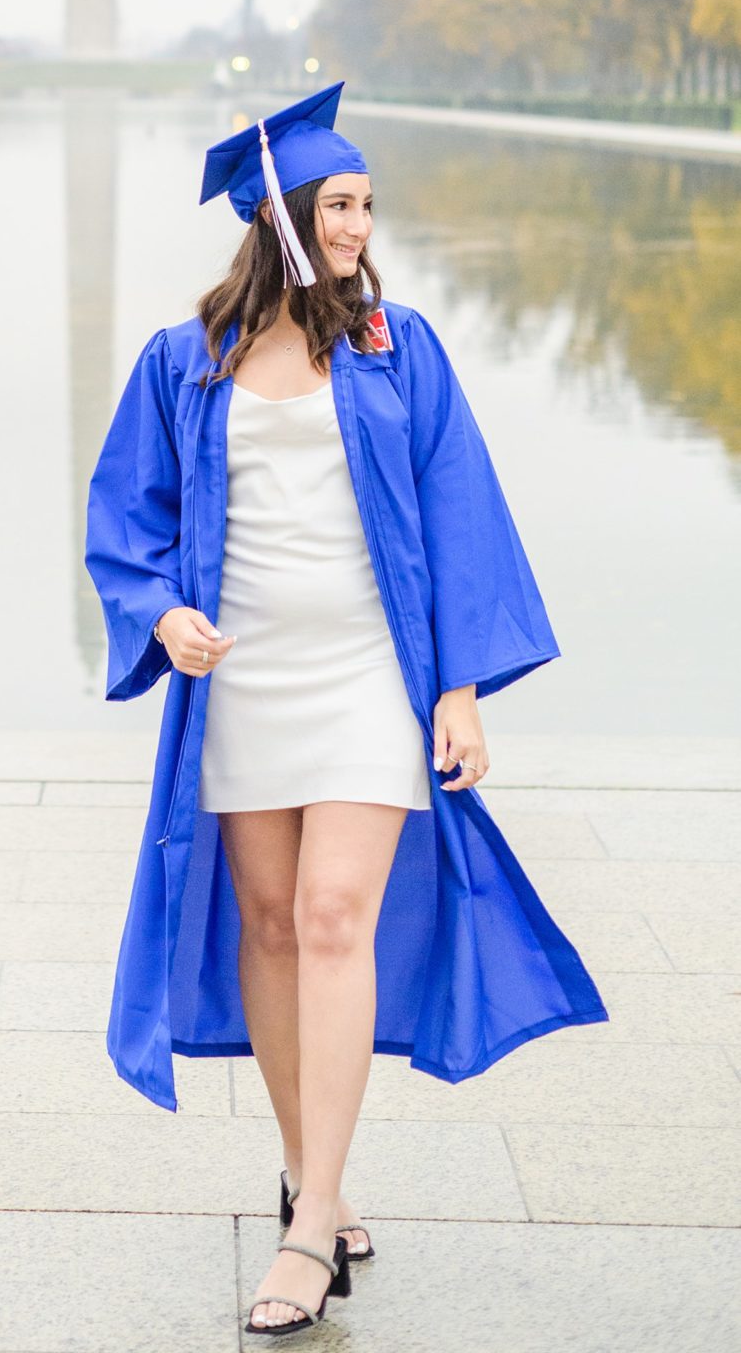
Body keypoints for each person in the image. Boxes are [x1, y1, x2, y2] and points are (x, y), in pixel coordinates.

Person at [84, 81, 606, 1338]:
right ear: (277, 216)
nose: (359, 225)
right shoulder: (184, 359)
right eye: (337, 204)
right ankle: (309, 1165)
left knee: (331, 915)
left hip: (369, 672)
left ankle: (311, 1227)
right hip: (242, 680)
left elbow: (458, 511)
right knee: (267, 922)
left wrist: (460, 690)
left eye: (367, 203)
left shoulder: (394, 348)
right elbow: (125, 517)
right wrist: (162, 616)